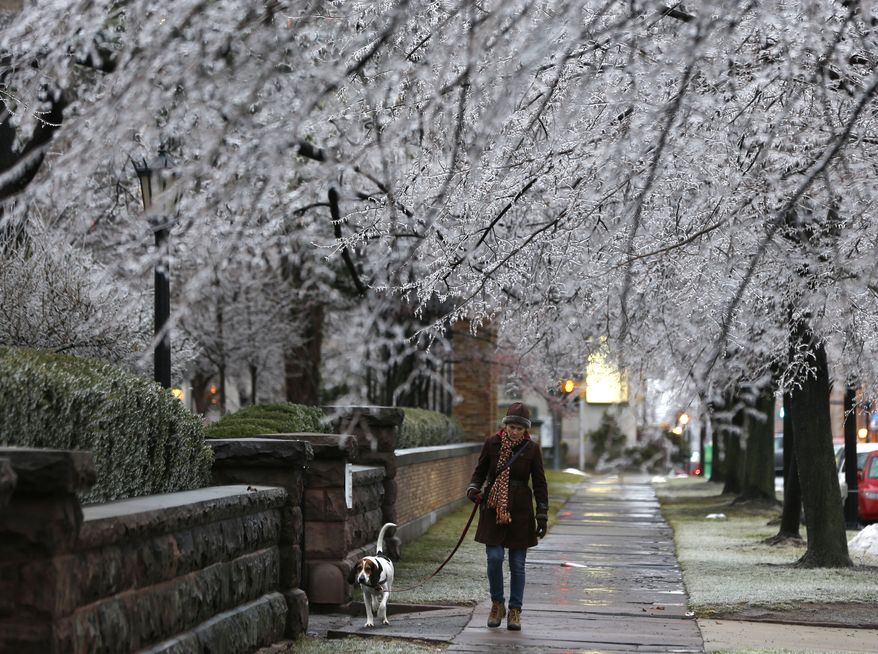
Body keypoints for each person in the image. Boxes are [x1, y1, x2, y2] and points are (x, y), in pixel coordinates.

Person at [466, 402, 549, 631]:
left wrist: (542, 513)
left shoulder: (532, 449)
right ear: (505, 426)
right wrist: (473, 488)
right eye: (511, 427)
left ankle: (515, 610)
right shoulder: (491, 444)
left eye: (519, 429)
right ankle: (497, 603)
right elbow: (480, 471)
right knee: (494, 558)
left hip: (521, 512)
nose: (514, 432)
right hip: (493, 508)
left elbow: (540, 483)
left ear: (525, 430)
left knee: (517, 563)